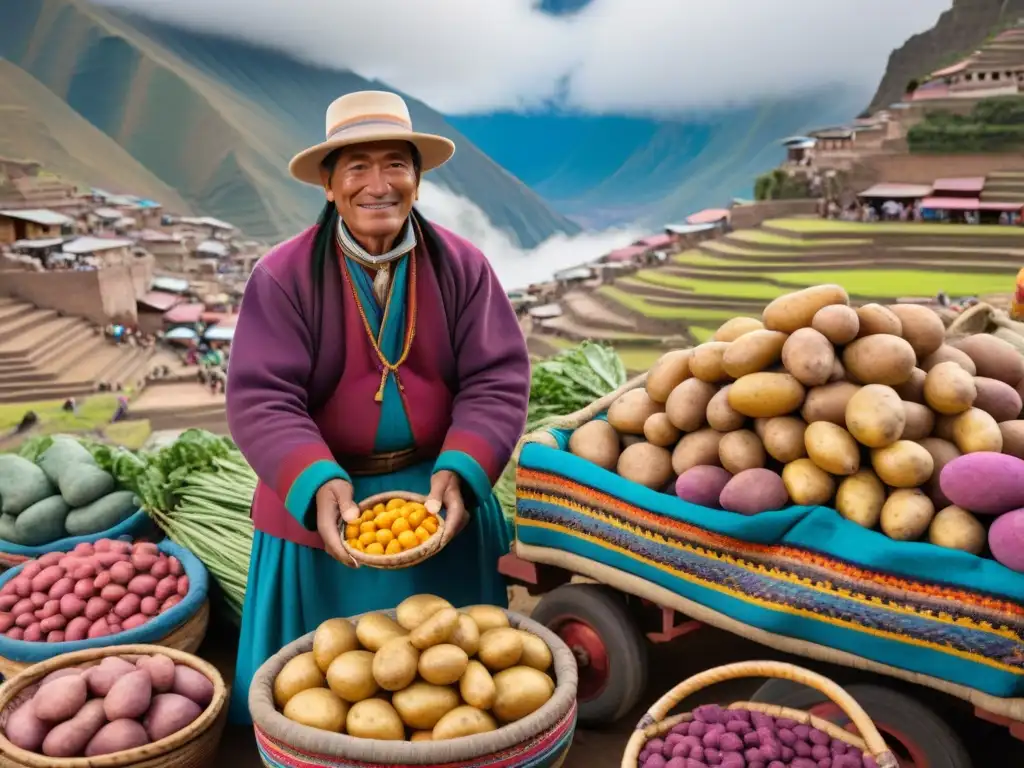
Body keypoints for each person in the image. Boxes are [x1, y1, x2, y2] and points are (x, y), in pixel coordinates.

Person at [224, 91, 531, 723]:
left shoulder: (463, 267)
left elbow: (496, 378)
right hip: (326, 506)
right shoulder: (282, 277)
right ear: (330, 185)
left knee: (459, 694)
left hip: (436, 498)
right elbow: (262, 397)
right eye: (356, 167)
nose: (378, 184)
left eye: (396, 164)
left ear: (417, 180)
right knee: (320, 699)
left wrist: (463, 470)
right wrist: (316, 480)